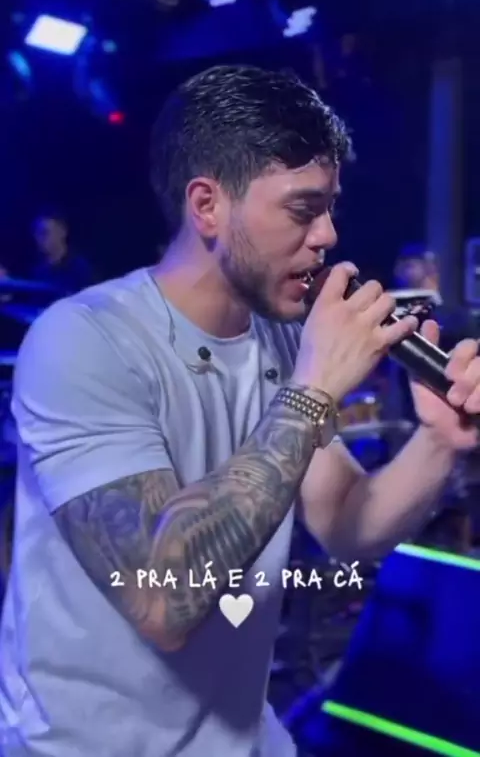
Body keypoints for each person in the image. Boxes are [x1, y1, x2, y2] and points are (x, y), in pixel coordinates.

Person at [1, 65, 480, 757]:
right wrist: (313, 390)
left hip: (242, 738)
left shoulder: (279, 339)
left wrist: (437, 443)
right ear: (207, 207)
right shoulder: (83, 340)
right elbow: (162, 599)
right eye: (302, 209)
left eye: (330, 208)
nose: (328, 235)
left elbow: (348, 525)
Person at [31, 210, 95, 294]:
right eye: (36, 234)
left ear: (62, 232)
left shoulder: (80, 269)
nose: (39, 239)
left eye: (44, 233)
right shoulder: (38, 271)